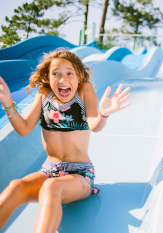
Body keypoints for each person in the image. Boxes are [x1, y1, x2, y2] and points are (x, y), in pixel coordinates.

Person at [0, 50, 131, 232]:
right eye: (56, 74)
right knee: (16, 187)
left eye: (69, 73)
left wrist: (103, 113)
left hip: (80, 173)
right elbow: (23, 128)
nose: (63, 79)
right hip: (48, 169)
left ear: (79, 76)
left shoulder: (84, 90)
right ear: (47, 76)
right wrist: (7, 102)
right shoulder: (44, 93)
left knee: (51, 188)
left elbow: (94, 124)